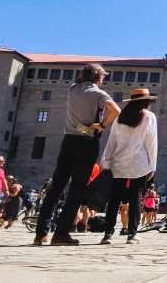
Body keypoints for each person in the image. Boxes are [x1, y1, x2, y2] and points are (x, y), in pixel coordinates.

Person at [35, 63, 121, 246]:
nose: (103, 79)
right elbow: (115, 110)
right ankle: (61, 234)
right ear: (98, 77)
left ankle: (41, 233)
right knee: (76, 190)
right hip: (87, 143)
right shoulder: (99, 93)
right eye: (103, 76)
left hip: (68, 141)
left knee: (56, 187)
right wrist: (102, 125)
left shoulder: (72, 89)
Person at [98, 88, 158, 245]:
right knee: (135, 198)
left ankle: (108, 234)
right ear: (146, 102)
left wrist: (106, 161)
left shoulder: (120, 117)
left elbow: (111, 141)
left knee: (114, 199)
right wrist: (152, 165)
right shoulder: (149, 117)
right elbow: (151, 143)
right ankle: (132, 234)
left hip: (118, 163)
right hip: (139, 164)